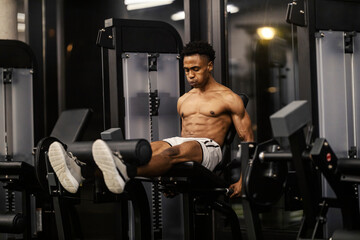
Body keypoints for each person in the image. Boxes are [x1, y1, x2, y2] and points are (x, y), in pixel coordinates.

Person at [48, 41, 254, 198]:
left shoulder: (229, 98)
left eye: (196, 69)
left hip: (209, 149)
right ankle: (82, 172)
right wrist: (174, 177)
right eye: (186, 70)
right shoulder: (184, 100)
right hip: (184, 145)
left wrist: (244, 180)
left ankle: (126, 172)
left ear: (209, 66)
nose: (190, 75)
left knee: (173, 151)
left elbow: (248, 142)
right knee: (144, 149)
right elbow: (184, 137)